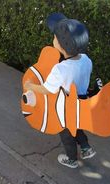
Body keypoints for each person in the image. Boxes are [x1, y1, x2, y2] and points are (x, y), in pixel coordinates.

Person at [24, 13, 96, 168]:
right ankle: (86, 148)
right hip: (82, 101)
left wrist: (30, 86)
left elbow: (46, 89)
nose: (54, 39)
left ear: (61, 44)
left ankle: (72, 159)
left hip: (65, 107)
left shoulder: (60, 69)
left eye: (55, 37)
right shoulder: (86, 60)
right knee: (77, 125)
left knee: (66, 133)